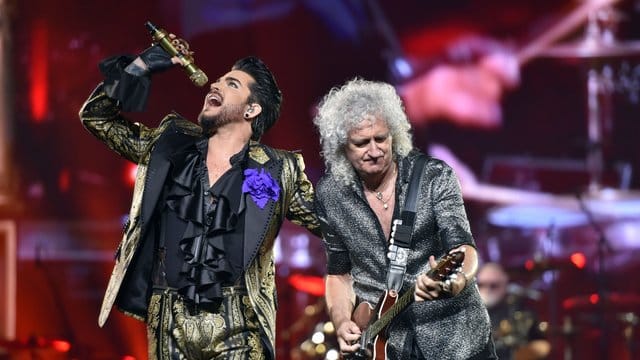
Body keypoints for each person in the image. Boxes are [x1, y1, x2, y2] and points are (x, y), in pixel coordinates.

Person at [79, 37, 319, 359]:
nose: (215, 85)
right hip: (167, 318)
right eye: (217, 80)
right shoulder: (169, 146)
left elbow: (335, 224)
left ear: (252, 109)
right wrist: (141, 66)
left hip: (239, 322)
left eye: (231, 83)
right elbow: (97, 117)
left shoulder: (277, 170)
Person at [313, 78, 496, 359]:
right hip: (387, 345)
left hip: (456, 340)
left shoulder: (435, 176)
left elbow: (463, 248)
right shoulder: (330, 194)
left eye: (381, 139)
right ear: (341, 147)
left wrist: (456, 282)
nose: (374, 151)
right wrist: (342, 322)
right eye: (361, 143)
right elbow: (339, 273)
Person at [477, 262, 551, 360]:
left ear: (504, 284)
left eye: (493, 285)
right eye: (481, 284)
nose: (487, 289)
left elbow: (541, 346)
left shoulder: (519, 309)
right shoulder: (468, 312)